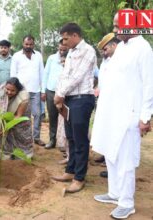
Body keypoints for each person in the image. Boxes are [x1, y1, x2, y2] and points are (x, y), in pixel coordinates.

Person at [91, 11, 153, 219]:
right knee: (111, 153)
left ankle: (127, 203)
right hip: (112, 112)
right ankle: (114, 193)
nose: (116, 31)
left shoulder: (143, 48)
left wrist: (145, 117)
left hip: (130, 113)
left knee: (126, 158)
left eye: (118, 27)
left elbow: (149, 84)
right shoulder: (123, 48)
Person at [52, 23, 96, 193]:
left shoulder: (88, 51)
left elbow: (77, 77)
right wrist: (59, 95)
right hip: (69, 100)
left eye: (65, 38)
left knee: (80, 140)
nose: (64, 42)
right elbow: (64, 75)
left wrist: (60, 94)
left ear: (75, 35)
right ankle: (70, 171)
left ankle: (79, 178)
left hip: (82, 99)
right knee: (71, 138)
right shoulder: (71, 52)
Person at [10, 35, 45, 146]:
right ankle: (24, 139)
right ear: (23, 44)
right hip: (21, 92)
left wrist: (43, 90)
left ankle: (36, 137)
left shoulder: (38, 55)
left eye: (30, 44)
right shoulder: (16, 56)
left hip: (36, 91)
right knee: (24, 116)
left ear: (33, 44)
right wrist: (14, 90)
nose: (28, 46)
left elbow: (42, 74)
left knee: (38, 114)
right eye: (26, 44)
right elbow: (13, 74)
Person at [94, 33, 120, 178]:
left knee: (114, 135)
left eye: (105, 49)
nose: (103, 53)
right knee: (106, 132)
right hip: (104, 102)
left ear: (114, 46)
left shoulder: (119, 61)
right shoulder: (105, 61)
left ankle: (114, 170)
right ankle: (107, 161)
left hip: (115, 105)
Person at [0, 77, 33, 157]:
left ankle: (25, 153)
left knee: (19, 131)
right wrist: (0, 127)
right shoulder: (0, 91)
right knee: (2, 127)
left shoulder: (23, 97)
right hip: (6, 113)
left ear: (18, 90)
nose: (9, 92)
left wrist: (6, 127)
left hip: (20, 116)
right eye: (7, 89)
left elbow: (18, 116)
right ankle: (5, 151)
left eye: (13, 91)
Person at [42, 39, 68, 149]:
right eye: (60, 49)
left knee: (66, 117)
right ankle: (52, 140)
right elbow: (46, 74)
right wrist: (43, 91)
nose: (61, 51)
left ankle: (65, 142)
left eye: (64, 49)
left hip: (65, 93)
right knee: (52, 117)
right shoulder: (51, 58)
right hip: (51, 91)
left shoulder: (71, 58)